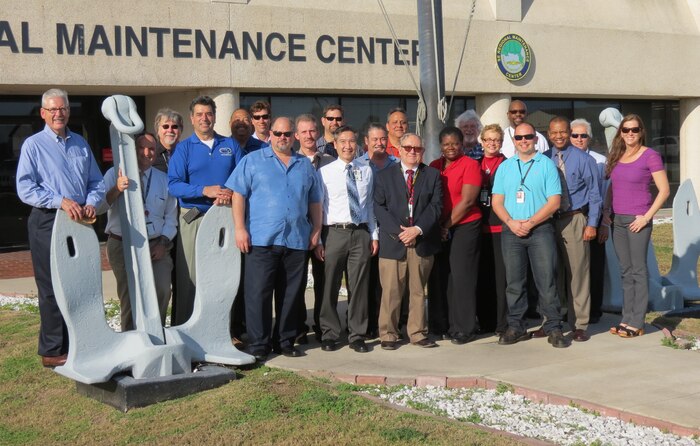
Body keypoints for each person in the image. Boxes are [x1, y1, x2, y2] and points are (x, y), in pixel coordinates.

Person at [16, 88, 105, 367]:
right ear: (43, 113)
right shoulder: (33, 145)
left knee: (78, 283)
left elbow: (96, 182)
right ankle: (53, 350)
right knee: (51, 286)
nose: (58, 114)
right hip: (48, 220)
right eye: (52, 109)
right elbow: (25, 187)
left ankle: (79, 341)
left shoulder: (81, 143)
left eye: (62, 109)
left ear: (68, 111)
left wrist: (92, 202)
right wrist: (60, 201)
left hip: (80, 221)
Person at [227, 117, 322, 361]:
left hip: (296, 240)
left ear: (294, 136)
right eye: (278, 133)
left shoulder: (305, 165)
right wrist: (240, 228)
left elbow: (315, 201)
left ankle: (285, 341)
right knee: (257, 293)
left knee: (291, 294)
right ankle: (259, 343)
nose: (283, 137)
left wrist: (317, 230)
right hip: (260, 239)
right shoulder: (252, 161)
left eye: (287, 134)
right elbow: (238, 195)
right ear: (270, 134)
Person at [491, 122, 570, 348]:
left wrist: (531, 222)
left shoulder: (546, 165)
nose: (523, 141)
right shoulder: (505, 167)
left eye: (528, 137)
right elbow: (497, 201)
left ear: (536, 139)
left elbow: (554, 202)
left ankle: (554, 327)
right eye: (519, 138)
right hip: (511, 231)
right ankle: (516, 326)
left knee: (547, 281)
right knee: (514, 283)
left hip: (540, 230)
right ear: (513, 141)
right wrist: (511, 222)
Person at [168, 95, 242, 325]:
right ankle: (184, 328)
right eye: (199, 114)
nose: (204, 119)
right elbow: (174, 185)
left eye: (208, 114)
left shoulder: (230, 145)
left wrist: (230, 192)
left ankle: (222, 328)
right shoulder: (183, 149)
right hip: (194, 218)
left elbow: (242, 179)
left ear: (215, 116)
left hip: (223, 218)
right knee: (190, 277)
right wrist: (204, 190)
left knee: (223, 276)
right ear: (191, 118)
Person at [100, 133, 177, 330]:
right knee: (129, 295)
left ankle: (155, 332)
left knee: (161, 289)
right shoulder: (114, 174)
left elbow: (171, 217)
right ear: (133, 150)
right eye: (141, 147)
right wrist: (117, 188)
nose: (146, 152)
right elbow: (101, 206)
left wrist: (163, 243)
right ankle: (129, 337)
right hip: (122, 243)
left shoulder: (163, 180)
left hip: (155, 245)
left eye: (151, 148)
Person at [374, 132, 442, 350]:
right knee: (392, 291)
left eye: (418, 149)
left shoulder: (432, 175)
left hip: (421, 242)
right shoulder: (384, 175)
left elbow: (436, 206)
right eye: (409, 148)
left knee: (418, 291)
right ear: (400, 150)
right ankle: (388, 334)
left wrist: (417, 230)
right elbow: (379, 207)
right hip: (394, 242)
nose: (413, 152)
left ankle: (417, 332)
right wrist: (401, 232)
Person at [604, 114, 670, 338]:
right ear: (620, 133)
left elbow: (664, 190)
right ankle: (626, 318)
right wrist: (607, 212)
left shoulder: (650, 156)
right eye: (626, 130)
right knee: (625, 271)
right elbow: (613, 187)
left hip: (637, 220)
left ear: (641, 132)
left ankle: (638, 321)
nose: (630, 134)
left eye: (634, 130)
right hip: (618, 220)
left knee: (639, 270)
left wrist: (646, 217)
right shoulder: (618, 155)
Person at [315, 126, 378, 353]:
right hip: (334, 233)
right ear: (336, 144)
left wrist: (373, 234)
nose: (347, 146)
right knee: (330, 284)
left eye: (351, 141)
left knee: (359, 286)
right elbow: (319, 207)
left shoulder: (366, 170)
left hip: (360, 232)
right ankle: (330, 333)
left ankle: (357, 334)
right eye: (343, 141)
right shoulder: (325, 172)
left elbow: (369, 204)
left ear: (357, 143)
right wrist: (319, 240)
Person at [538, 117, 601, 342]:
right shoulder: (543, 159)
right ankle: (550, 321)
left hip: (574, 219)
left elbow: (595, 194)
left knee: (578, 274)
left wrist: (592, 223)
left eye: (563, 132)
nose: (559, 136)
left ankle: (579, 324)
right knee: (549, 274)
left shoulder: (584, 159)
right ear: (548, 134)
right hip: (547, 222)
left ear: (569, 132)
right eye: (554, 132)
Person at [428, 126, 482, 344]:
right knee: (440, 277)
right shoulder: (434, 166)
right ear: (440, 145)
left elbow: (468, 201)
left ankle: (464, 328)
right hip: (440, 226)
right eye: (446, 144)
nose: (451, 147)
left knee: (461, 277)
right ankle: (441, 324)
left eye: (455, 143)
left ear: (462, 144)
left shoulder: (471, 165)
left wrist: (446, 226)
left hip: (465, 226)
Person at [295, 114, 334, 342]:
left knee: (323, 281)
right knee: (297, 282)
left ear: (317, 133)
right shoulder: (290, 160)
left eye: (312, 131)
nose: (309, 136)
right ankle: (298, 328)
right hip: (299, 230)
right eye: (304, 132)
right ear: (297, 135)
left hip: (324, 231)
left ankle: (322, 325)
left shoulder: (329, 161)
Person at [360, 123, 398, 337]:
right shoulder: (356, 165)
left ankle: (393, 323)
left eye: (383, 139)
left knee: (391, 282)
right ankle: (368, 324)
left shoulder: (398, 165)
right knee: (368, 279)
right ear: (366, 141)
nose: (379, 143)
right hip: (366, 231)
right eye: (374, 139)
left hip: (393, 231)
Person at [570, 118, 608, 324]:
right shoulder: (561, 158)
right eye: (574, 135)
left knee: (594, 266)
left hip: (594, 216)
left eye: (583, 135)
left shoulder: (600, 160)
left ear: (589, 138)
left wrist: (603, 223)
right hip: (570, 217)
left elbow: (604, 193)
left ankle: (593, 311)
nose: (578, 139)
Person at [475, 124, 508, 335]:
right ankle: (485, 321)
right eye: (488, 139)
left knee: (502, 279)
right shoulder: (475, 164)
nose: (492, 143)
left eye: (496, 140)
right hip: (479, 228)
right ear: (482, 141)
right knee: (482, 277)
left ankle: (502, 323)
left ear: (501, 142)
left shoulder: (509, 165)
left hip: (502, 229)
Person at [151, 108, 183, 173]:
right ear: (157, 130)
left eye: (174, 127)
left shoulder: (187, 152)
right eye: (165, 126)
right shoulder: (151, 153)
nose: (170, 130)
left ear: (180, 130)